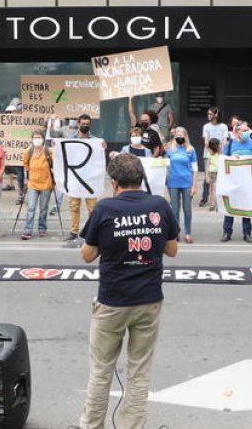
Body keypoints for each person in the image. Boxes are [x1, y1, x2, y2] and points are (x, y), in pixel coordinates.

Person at [78, 154, 178, 429]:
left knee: (101, 371)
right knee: (139, 371)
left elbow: (87, 255)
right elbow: (172, 249)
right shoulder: (159, 205)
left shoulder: (104, 208)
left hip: (113, 300)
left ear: (114, 182)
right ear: (141, 179)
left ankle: (91, 426)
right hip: (148, 299)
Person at [66, 114, 107, 242]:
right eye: (83, 124)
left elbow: (100, 157)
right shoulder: (70, 140)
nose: (85, 126)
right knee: (74, 206)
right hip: (75, 178)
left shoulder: (96, 141)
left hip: (90, 179)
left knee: (92, 208)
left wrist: (103, 147)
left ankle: (92, 231)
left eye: (87, 124)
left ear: (90, 125)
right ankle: (74, 231)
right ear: (78, 124)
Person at [220, 122, 252, 243]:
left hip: (247, 182)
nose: (246, 132)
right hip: (232, 181)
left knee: (246, 207)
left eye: (247, 130)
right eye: (243, 130)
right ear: (237, 131)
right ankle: (227, 232)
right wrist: (232, 157)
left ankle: (247, 233)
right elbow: (222, 160)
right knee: (230, 207)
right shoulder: (230, 144)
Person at [165, 126, 197, 244]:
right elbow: (166, 166)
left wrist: (194, 186)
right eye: (177, 134)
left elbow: (195, 169)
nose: (179, 136)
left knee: (187, 209)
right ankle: (175, 233)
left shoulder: (190, 150)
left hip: (187, 182)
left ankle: (188, 233)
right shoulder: (170, 149)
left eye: (181, 134)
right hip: (173, 182)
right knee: (174, 209)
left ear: (185, 136)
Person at [20, 130, 53, 240]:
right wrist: (28, 177)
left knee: (43, 209)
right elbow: (25, 165)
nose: (37, 139)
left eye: (39, 137)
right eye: (35, 137)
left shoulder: (49, 151)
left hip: (46, 184)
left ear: (43, 139)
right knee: (31, 208)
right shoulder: (28, 151)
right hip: (33, 184)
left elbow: (55, 164)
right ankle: (28, 230)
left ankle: (42, 228)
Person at [201, 107, 229, 205]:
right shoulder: (206, 126)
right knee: (207, 177)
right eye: (208, 114)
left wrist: (221, 151)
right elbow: (206, 140)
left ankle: (219, 199)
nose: (208, 116)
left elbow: (225, 140)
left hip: (220, 155)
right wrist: (211, 151)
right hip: (208, 154)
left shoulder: (224, 126)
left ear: (216, 115)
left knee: (220, 177)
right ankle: (205, 198)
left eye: (210, 114)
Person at [202, 137, 222, 210]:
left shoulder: (221, 154)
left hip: (219, 173)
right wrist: (207, 176)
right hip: (212, 173)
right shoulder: (209, 154)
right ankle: (212, 204)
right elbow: (207, 165)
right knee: (211, 189)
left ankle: (217, 204)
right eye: (219, 144)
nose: (220, 146)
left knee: (216, 188)